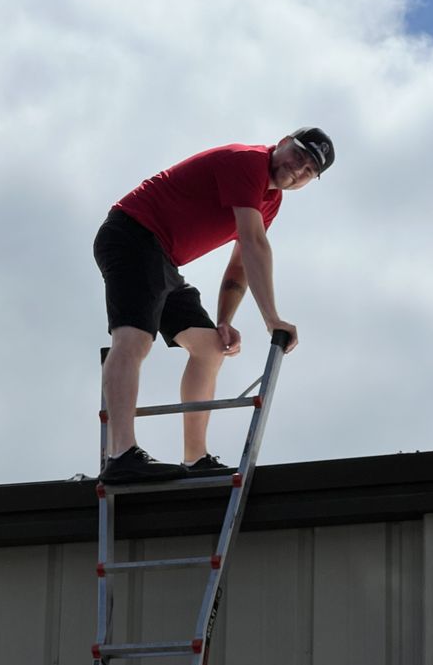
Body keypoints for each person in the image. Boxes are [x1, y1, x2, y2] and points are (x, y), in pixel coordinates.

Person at [94, 127, 335, 484]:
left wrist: (224, 321)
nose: (298, 169)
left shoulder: (271, 201)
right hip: (133, 235)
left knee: (211, 347)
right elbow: (253, 243)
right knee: (133, 339)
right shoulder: (249, 163)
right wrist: (272, 320)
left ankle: (195, 457)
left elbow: (240, 264)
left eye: (309, 170)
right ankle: (121, 455)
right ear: (282, 143)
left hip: (163, 259)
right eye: (298, 156)